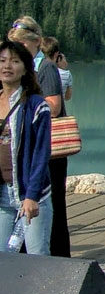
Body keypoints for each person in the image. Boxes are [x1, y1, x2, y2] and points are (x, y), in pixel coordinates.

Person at [8, 16, 70, 257]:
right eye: (15, 44)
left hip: (49, 152)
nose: (20, 49)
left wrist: (27, 102)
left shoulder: (45, 68)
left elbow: (54, 105)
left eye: (23, 44)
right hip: (27, 150)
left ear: (36, 42)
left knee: (52, 207)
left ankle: (59, 259)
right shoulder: (23, 69)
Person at [0, 41, 52, 255]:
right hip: (2, 193)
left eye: (15, 61)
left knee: (37, 255)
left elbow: (41, 154)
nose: (7, 66)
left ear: (25, 68)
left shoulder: (37, 105)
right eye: (2, 61)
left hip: (31, 193)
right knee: (3, 257)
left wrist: (31, 196)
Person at [41, 37, 73, 101]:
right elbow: (68, 97)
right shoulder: (67, 74)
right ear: (56, 54)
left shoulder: (39, 70)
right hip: (58, 106)